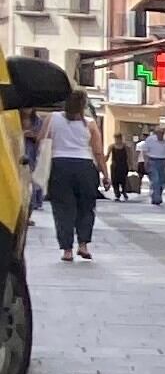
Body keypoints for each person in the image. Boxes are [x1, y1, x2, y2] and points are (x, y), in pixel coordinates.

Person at [37, 87, 103, 263]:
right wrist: (106, 173)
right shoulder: (89, 123)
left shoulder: (53, 118)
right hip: (84, 167)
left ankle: (67, 250)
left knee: (63, 209)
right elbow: (97, 151)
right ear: (83, 105)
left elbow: (41, 139)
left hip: (60, 166)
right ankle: (83, 245)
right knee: (86, 207)